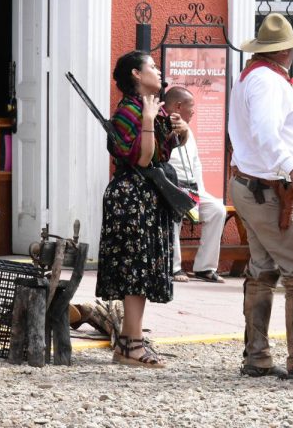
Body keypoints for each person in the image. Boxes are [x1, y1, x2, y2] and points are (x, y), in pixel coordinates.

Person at [228, 13, 293, 380]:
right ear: (286, 52)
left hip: (255, 185)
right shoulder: (266, 82)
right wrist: (289, 165)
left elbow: (262, 126)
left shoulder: (256, 77)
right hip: (271, 188)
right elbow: (266, 132)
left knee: (262, 271)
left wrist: (292, 98)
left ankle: (258, 355)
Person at [96, 50, 189, 368]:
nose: (158, 71)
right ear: (136, 74)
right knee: (135, 271)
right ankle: (131, 344)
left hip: (149, 200)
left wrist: (180, 129)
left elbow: (169, 147)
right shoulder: (128, 112)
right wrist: (149, 121)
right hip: (132, 200)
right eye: (152, 66)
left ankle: (128, 341)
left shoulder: (152, 108)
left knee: (144, 270)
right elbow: (145, 159)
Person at [164, 86, 226, 283]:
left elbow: (196, 162)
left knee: (217, 209)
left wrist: (200, 193)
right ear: (178, 106)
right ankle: (173, 269)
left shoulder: (188, 128)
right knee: (173, 215)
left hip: (191, 187)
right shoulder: (161, 124)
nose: (193, 111)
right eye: (191, 107)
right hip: (170, 186)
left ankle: (205, 267)